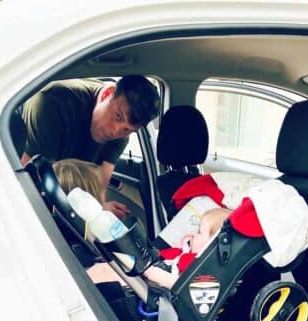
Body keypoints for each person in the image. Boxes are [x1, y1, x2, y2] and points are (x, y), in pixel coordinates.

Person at [23, 75, 160, 218]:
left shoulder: (120, 137)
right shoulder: (52, 103)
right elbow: (27, 180)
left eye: (128, 130)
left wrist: (100, 210)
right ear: (107, 94)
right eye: (118, 117)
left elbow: (99, 184)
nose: (116, 132)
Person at [143, 208, 231, 289]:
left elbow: (182, 263)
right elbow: (173, 254)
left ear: (210, 246)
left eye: (199, 232)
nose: (194, 234)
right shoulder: (185, 252)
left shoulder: (196, 268)